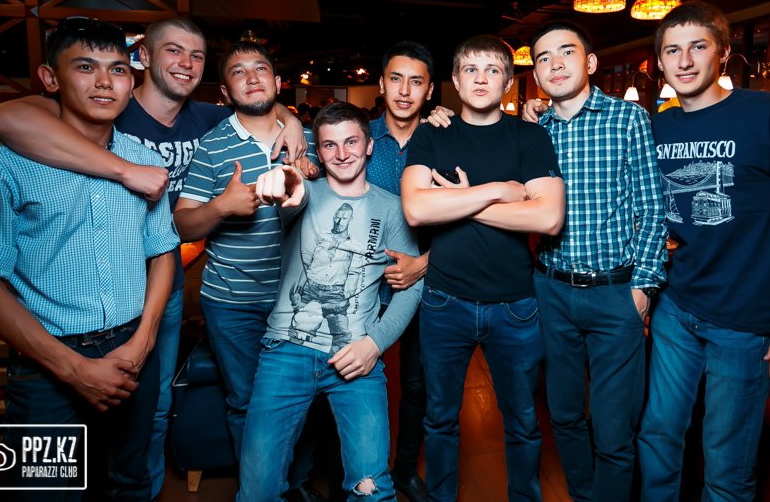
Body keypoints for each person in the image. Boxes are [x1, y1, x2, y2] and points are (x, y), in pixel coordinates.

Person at [0, 18, 312, 497]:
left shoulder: (204, 119)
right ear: (145, 59)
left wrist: (293, 121)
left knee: (146, 427)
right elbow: (2, 119)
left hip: (150, 301)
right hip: (53, 335)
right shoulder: (76, 126)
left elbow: (256, 97)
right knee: (44, 482)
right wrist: (127, 171)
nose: (185, 63)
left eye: (196, 55)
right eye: (173, 51)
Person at [0, 17, 179, 499]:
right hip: (46, 363)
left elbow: (162, 252)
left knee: (129, 481)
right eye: (85, 67)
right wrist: (73, 368)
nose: (104, 82)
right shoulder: (0, 164)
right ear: (50, 79)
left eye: (118, 70)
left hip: (132, 352)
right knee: (45, 490)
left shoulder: (145, 160)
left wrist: (142, 343)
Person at [637, 0, 770, 501]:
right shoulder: (657, 126)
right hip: (675, 307)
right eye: (672, 50)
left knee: (726, 466)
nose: (684, 60)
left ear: (724, 53)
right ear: (660, 63)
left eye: (698, 46)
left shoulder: (768, 113)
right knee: (658, 435)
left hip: (744, 320)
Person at [401, 35, 565, 501]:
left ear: (508, 82)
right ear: (455, 81)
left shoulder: (530, 136)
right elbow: (416, 209)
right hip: (444, 302)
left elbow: (548, 217)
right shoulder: (432, 133)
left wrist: (457, 200)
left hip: (515, 306)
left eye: (493, 70)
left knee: (523, 423)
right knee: (439, 419)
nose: (480, 79)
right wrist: (498, 191)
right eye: (470, 70)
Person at [236, 101, 423, 501]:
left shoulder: (391, 209)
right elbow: (290, 188)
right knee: (257, 490)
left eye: (351, 142)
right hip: (286, 350)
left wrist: (375, 344)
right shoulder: (306, 194)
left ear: (369, 146)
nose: (342, 154)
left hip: (356, 355)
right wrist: (283, 177)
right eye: (329, 145)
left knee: (372, 490)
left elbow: (410, 286)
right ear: (318, 153)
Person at [517, 20, 668, 502]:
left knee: (614, 429)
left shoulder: (628, 119)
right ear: (536, 74)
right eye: (543, 58)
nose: (555, 64)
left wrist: (642, 287)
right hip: (552, 289)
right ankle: (583, 494)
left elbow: (653, 208)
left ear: (590, 62)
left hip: (615, 293)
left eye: (566, 52)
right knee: (563, 414)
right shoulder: (535, 131)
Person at [173, 40, 318, 465]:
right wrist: (222, 207)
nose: (252, 78)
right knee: (245, 400)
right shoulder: (211, 146)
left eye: (260, 69)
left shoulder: (310, 140)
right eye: (239, 72)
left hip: (300, 300)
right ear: (225, 92)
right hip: (233, 302)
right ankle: (260, 489)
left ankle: (296, 482)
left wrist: (313, 178)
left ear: (278, 82)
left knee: (303, 397)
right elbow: (182, 224)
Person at [366, 41, 435, 501]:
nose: (405, 91)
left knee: (417, 384)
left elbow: (464, 219)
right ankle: (359, 472)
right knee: (354, 378)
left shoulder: (444, 138)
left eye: (416, 82)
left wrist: (422, 265)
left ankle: (406, 469)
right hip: (362, 284)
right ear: (381, 84)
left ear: (429, 91)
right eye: (396, 79)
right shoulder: (359, 136)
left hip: (426, 279)